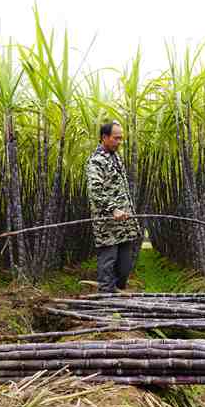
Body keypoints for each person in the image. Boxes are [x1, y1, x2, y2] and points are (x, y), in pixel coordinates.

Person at [85, 121, 140, 293]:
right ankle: (106, 304)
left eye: (121, 138)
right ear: (104, 138)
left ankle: (117, 293)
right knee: (108, 264)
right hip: (107, 225)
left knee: (124, 267)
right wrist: (112, 210)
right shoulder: (96, 161)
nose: (119, 142)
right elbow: (95, 191)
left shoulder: (116, 157)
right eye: (116, 138)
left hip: (124, 224)